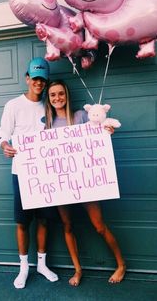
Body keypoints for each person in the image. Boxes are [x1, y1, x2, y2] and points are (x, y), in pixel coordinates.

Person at [45, 79, 126, 286]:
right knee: (68, 225)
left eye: (60, 93)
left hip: (85, 181)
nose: (57, 98)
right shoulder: (45, 124)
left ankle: (121, 265)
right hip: (61, 182)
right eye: (53, 94)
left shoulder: (80, 116)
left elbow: (97, 136)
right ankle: (78, 270)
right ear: (49, 98)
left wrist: (107, 132)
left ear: (67, 95)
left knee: (99, 226)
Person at [0, 57, 58, 289]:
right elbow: (3, 132)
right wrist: (5, 146)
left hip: (47, 173)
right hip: (21, 173)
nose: (39, 83)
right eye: (35, 78)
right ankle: (23, 268)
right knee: (23, 222)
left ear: (46, 81)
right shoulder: (13, 105)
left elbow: (67, 130)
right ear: (27, 78)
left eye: (42, 79)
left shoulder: (50, 105)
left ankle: (42, 264)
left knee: (44, 219)